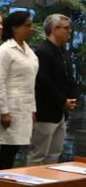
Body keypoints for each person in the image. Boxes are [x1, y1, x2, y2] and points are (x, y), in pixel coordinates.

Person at [0, 10, 39, 170]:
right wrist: (3, 111)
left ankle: (9, 184)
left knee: (16, 150)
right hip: (11, 108)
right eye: (27, 25)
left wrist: (32, 110)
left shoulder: (28, 50)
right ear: (15, 28)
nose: (31, 28)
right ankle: (0, 186)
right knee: (7, 151)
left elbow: (30, 83)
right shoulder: (5, 51)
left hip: (24, 107)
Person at [30, 14, 77, 165]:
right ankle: (31, 186)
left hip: (61, 112)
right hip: (46, 111)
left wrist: (70, 100)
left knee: (54, 155)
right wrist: (62, 101)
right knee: (39, 154)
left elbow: (68, 79)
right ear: (54, 29)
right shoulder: (43, 51)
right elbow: (44, 82)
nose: (69, 32)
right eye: (66, 28)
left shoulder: (63, 52)